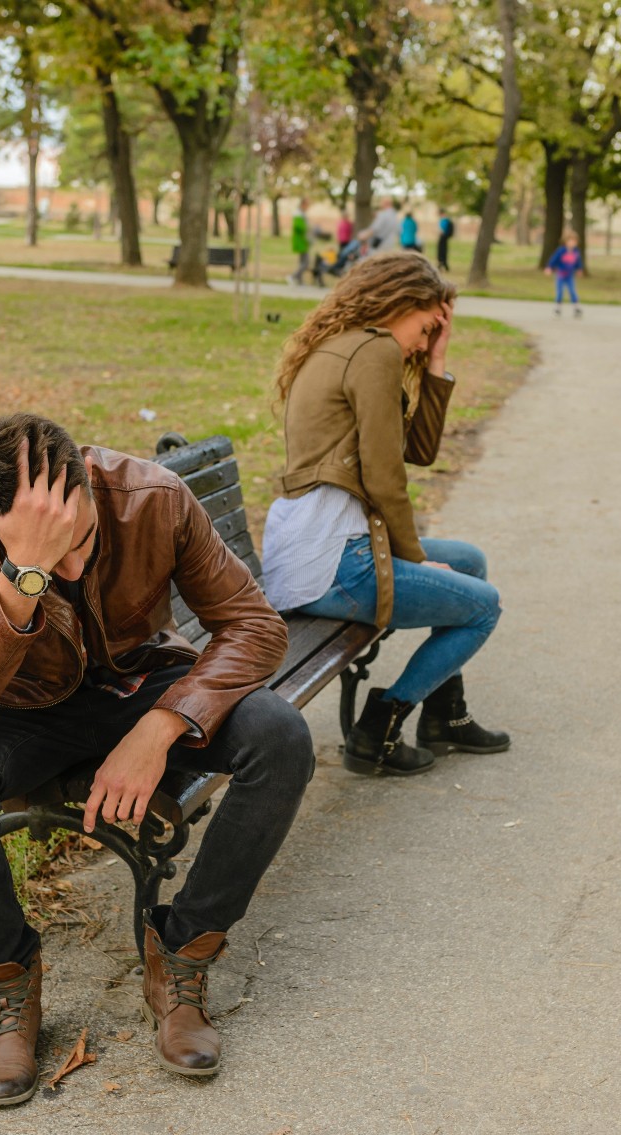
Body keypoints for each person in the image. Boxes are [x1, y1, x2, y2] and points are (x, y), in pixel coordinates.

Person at [0, 413, 313, 1105]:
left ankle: (181, 957)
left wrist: (160, 726)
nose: (73, 568)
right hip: (17, 705)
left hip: (137, 686)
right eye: (43, 554)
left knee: (281, 734)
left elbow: (254, 627)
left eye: (79, 538)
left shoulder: (151, 496)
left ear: (89, 482)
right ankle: (8, 987)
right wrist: (21, 575)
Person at [262, 254, 509, 778]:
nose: (423, 343)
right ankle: (382, 724)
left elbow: (415, 451)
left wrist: (437, 362)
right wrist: (416, 557)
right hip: (333, 562)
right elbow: (383, 476)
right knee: (483, 606)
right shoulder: (373, 352)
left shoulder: (350, 344)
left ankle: (444, 717)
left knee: (469, 561)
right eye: (425, 329)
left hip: (319, 548)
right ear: (399, 303)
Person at [544, 231, 584, 317]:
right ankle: (558, 308)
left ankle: (576, 308)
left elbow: (578, 262)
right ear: (566, 241)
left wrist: (579, 269)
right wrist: (549, 267)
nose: (572, 243)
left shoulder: (576, 251)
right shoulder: (561, 251)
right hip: (561, 274)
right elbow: (554, 259)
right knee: (560, 292)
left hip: (570, 275)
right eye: (570, 241)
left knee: (572, 291)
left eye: (574, 241)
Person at [289, 198, 327, 286]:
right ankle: (293, 276)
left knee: (302, 262)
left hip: (303, 241)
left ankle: (299, 280)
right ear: (302, 204)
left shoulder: (301, 214)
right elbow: (299, 227)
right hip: (301, 241)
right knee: (305, 263)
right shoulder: (298, 214)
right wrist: (309, 228)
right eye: (307, 205)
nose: (307, 207)